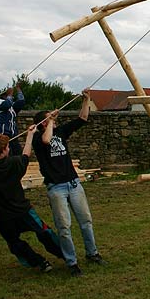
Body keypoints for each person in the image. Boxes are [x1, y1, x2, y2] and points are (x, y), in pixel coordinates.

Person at [33, 89, 106, 277]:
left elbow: (82, 118)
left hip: (73, 183)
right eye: (49, 119)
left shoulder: (61, 131)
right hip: (56, 187)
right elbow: (47, 139)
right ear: (43, 123)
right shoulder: (37, 138)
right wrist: (48, 122)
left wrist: (86, 100)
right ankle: (71, 262)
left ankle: (93, 253)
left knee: (86, 221)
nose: (54, 120)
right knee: (64, 227)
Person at [0, 129, 64, 273]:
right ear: (4, 149)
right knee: (44, 232)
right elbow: (26, 155)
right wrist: (30, 135)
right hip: (22, 211)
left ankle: (40, 262)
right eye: (7, 147)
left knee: (14, 242)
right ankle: (64, 254)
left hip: (0, 214)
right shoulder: (14, 163)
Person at [0, 84, 26, 155]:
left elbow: (21, 102)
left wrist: (18, 89)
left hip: (13, 138)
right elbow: (7, 105)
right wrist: (9, 94)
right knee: (6, 158)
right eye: (9, 96)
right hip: (2, 136)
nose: (11, 97)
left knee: (18, 156)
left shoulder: (12, 107)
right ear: (4, 96)